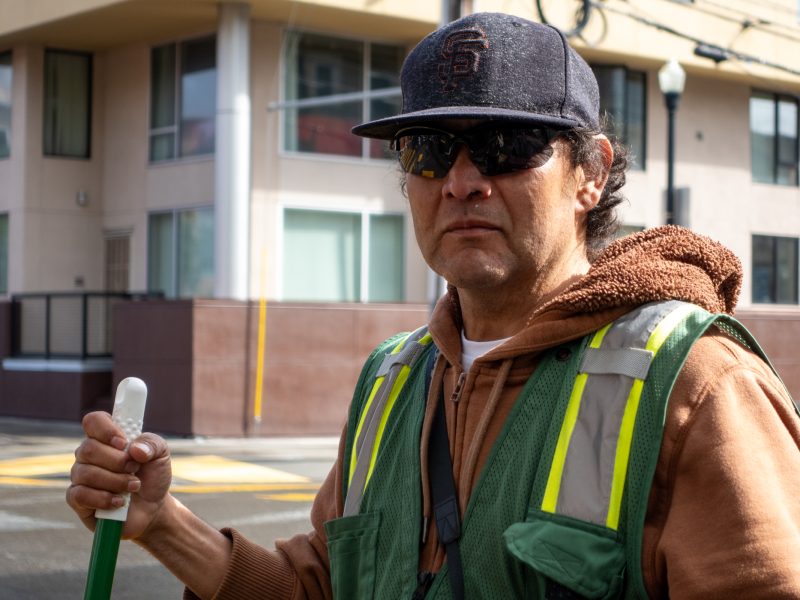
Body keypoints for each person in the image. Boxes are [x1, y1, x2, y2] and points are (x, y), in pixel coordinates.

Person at [67, 12, 800, 599]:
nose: (461, 181)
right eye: (427, 149)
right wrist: (161, 524)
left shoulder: (698, 386)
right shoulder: (392, 379)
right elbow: (319, 585)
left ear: (591, 172)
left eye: (505, 144)